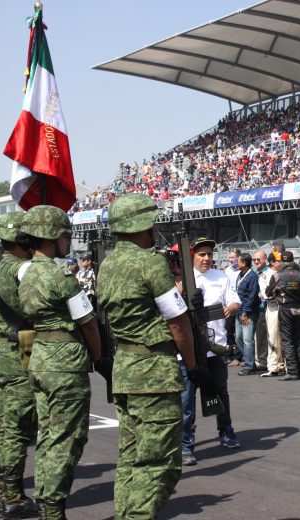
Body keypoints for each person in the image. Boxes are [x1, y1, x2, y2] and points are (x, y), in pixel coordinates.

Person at [98, 194, 200, 517]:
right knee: (161, 462)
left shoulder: (107, 265)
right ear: (142, 224)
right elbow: (177, 321)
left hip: (125, 371)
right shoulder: (150, 261)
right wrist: (195, 367)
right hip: (153, 373)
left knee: (130, 457)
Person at [17, 205, 103, 519]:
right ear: (52, 237)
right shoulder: (60, 274)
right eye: (65, 235)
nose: (68, 240)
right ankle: (53, 507)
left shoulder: (24, 273)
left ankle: (47, 502)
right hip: (65, 363)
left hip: (39, 358)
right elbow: (88, 323)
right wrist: (97, 356)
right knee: (67, 438)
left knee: (50, 437)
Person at [0, 212, 39, 517]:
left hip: (4, 353)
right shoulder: (22, 271)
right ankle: (12, 498)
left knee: (5, 428)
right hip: (23, 352)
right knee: (17, 429)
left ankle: (6, 488)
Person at [182, 237, 242, 465]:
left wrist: (231, 308)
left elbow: (235, 302)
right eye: (201, 254)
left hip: (215, 347)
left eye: (209, 254)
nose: (206, 258)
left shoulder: (221, 277)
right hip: (190, 349)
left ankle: (226, 431)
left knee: (220, 392)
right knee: (187, 399)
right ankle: (186, 444)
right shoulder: (184, 280)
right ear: (192, 257)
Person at [267, 251, 300, 380]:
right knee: (298, 340)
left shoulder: (277, 275)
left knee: (287, 340)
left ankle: (292, 371)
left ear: (282, 262)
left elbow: (268, 293)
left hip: (285, 309)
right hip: (299, 309)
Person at [235, 253, 261, 377]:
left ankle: (249, 365)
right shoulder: (240, 275)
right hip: (239, 311)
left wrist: (245, 312)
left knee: (247, 339)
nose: (236, 263)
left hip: (248, 313)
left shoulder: (252, 276)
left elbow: (252, 296)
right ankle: (249, 360)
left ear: (244, 263)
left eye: (238, 261)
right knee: (238, 338)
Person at [262, 252, 284, 377]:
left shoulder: (283, 274)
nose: (282, 263)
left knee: (283, 339)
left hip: (284, 308)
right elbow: (266, 295)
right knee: (273, 338)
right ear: (272, 262)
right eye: (279, 260)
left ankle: (282, 365)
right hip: (273, 309)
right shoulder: (265, 275)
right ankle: (272, 366)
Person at [252, 250, 270, 371]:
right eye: (254, 260)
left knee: (267, 336)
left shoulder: (270, 273)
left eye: (259, 259)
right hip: (257, 309)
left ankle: (264, 361)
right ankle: (261, 360)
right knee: (259, 336)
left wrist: (263, 294)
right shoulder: (254, 273)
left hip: (269, 307)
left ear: (265, 259)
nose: (256, 262)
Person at [224, 249, 242, 365]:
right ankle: (229, 355)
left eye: (233, 257)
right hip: (229, 304)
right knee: (228, 331)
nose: (231, 260)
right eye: (230, 258)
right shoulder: (226, 271)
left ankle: (239, 356)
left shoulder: (241, 271)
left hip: (239, 304)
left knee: (239, 333)